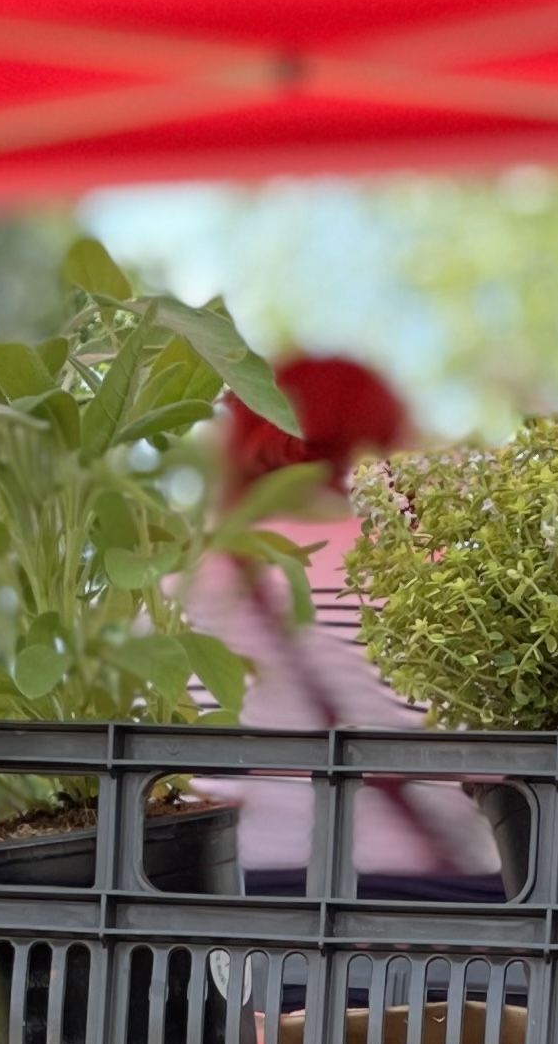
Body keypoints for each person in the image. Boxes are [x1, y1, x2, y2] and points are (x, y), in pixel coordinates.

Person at [186, 352, 487, 888]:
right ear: (389, 440)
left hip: (218, 924)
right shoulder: (442, 583)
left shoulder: (176, 587)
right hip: (425, 930)